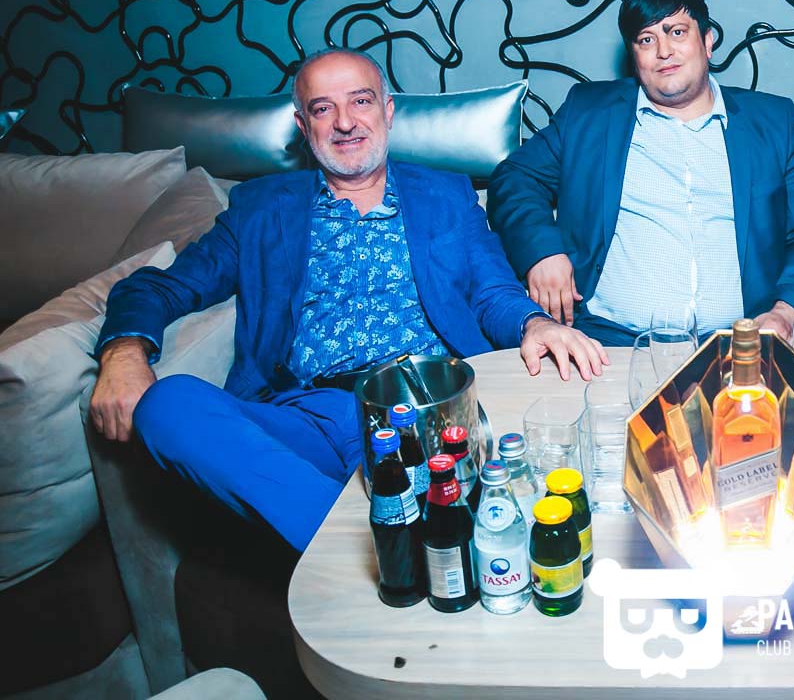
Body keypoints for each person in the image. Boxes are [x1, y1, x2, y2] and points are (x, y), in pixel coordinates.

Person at [90, 49, 605, 551]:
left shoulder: (446, 196)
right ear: (302, 124)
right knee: (168, 406)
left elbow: (493, 291)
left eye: (360, 101)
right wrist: (123, 352)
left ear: (387, 111)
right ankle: (387, 546)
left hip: (421, 411)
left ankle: (377, 546)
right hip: (306, 414)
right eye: (323, 108)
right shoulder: (259, 208)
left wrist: (536, 324)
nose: (344, 122)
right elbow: (159, 286)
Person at [490, 0, 794, 346]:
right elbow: (514, 178)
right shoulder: (588, 113)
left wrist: (786, 310)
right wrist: (542, 252)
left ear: (708, 41)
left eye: (677, 32)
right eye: (646, 40)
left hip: (741, 344)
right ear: (634, 56)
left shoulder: (773, 122)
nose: (663, 51)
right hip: (608, 344)